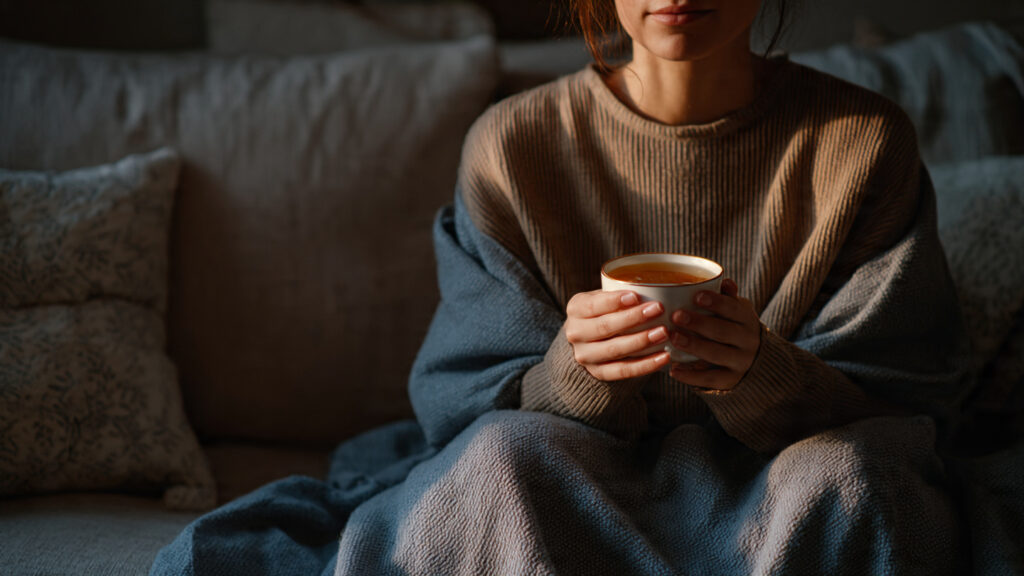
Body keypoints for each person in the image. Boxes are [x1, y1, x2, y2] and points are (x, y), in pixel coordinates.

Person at [151, 1, 971, 574]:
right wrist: (573, 374)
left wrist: (761, 373)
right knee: (500, 461)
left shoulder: (863, 143)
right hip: (575, 472)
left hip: (780, 475)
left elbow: (903, 389)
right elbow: (465, 401)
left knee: (851, 480)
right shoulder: (515, 146)